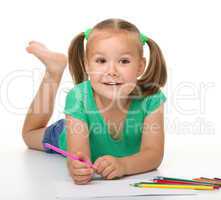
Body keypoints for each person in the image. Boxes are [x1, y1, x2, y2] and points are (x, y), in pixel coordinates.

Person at [22, 18, 167, 185]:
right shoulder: (78, 97)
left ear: (141, 66)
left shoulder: (152, 98)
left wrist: (124, 165)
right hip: (69, 131)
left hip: (85, 123)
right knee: (29, 134)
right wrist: (78, 166)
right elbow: (79, 156)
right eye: (101, 61)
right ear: (87, 65)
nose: (112, 71)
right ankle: (53, 71)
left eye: (124, 61)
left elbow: (154, 154)